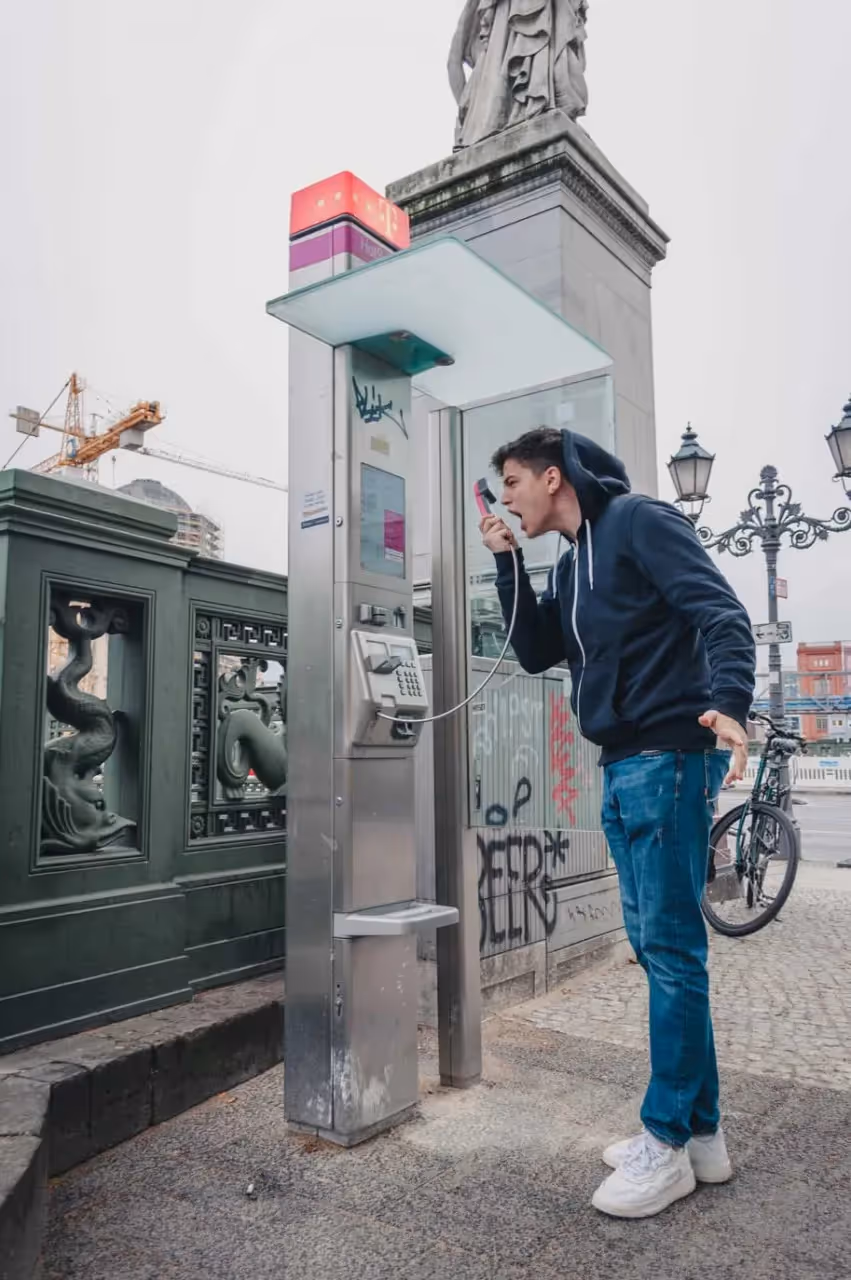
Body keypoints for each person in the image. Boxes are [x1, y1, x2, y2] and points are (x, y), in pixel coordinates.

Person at [480, 426, 756, 1219]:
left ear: (554, 477)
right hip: (625, 764)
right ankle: (700, 1138)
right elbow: (534, 652)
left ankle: (664, 1144)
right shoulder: (570, 563)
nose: (506, 498)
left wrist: (730, 706)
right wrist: (507, 563)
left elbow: (722, 615)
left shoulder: (640, 522)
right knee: (657, 949)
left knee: (670, 952)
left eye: (511, 483)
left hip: (669, 757)